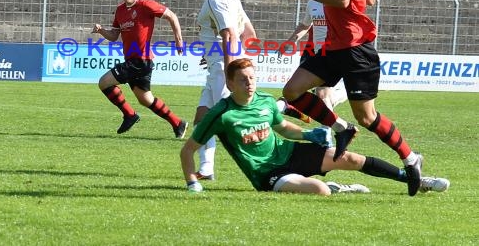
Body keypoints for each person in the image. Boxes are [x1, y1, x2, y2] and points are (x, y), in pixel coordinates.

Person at [283, 0, 424, 196]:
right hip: (336, 48)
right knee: (292, 91)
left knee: (368, 117)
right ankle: (340, 127)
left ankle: (410, 158)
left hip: (356, 50)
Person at [181, 58, 450, 195]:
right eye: (242, 79)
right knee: (319, 191)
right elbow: (188, 150)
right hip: (268, 175)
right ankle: (337, 187)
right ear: (230, 84)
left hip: (290, 153)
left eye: (252, 77)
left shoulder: (264, 101)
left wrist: (310, 133)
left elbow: (284, 128)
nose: (249, 83)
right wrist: (192, 182)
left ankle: (415, 179)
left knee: (352, 158)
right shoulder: (221, 114)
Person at [91, 0, 188, 138]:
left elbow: (172, 16)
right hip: (133, 61)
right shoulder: (120, 10)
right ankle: (178, 123)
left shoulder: (146, 5)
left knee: (104, 82)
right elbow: (114, 36)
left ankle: (129, 115)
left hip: (141, 61)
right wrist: (101, 31)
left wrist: (179, 40)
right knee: (146, 100)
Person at [192, 0, 256, 180]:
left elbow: (228, 34)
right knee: (202, 119)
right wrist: (213, 54)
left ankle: (271, 162)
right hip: (218, 65)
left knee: (232, 123)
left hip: (223, 69)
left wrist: (230, 72)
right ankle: (206, 168)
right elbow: (249, 34)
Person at [277, 0, 347, 133]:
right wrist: (291, 40)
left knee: (321, 94)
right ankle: (332, 131)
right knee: (321, 94)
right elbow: (305, 24)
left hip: (335, 52)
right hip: (318, 54)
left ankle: (329, 133)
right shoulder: (313, 2)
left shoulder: (339, 0)